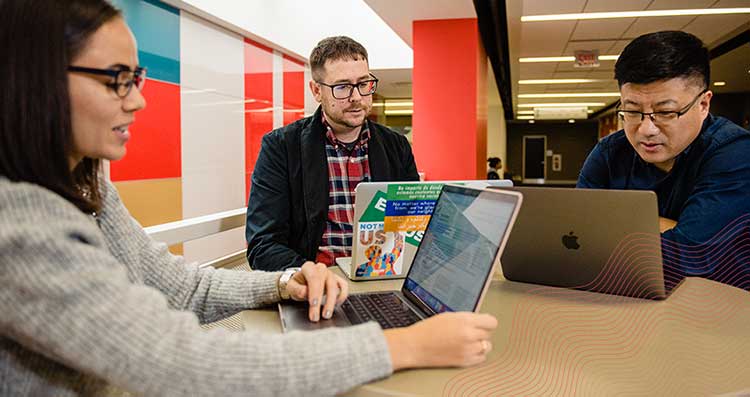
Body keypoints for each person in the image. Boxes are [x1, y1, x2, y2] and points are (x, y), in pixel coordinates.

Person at [0, 1, 499, 395]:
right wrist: (400, 346)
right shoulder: (16, 220)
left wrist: (284, 283)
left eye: (138, 78)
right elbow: (182, 365)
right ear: (35, 79)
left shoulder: (89, 189)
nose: (139, 99)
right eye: (117, 79)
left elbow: (181, 289)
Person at [577, 31, 750, 287]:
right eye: (633, 111)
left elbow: (687, 256)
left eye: (666, 112)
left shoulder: (735, 153)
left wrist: (614, 226)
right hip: (625, 297)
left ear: (703, 104)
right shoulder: (609, 152)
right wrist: (668, 226)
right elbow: (575, 236)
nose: (646, 129)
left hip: (719, 305)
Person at [245, 36, 419, 272]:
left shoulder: (396, 147)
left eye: (363, 83)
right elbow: (263, 245)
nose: (356, 97)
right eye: (343, 86)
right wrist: (313, 277)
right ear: (317, 91)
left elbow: (411, 227)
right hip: (314, 284)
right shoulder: (281, 148)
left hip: (382, 277)